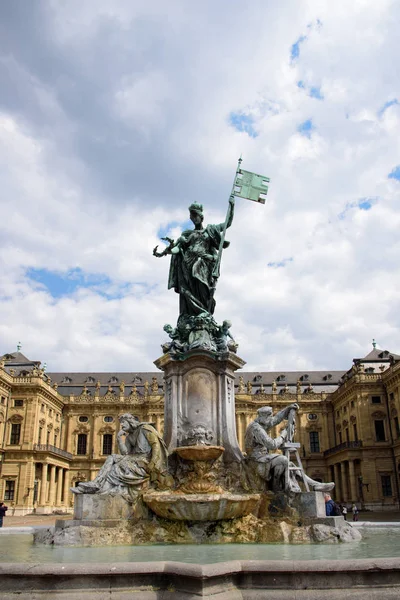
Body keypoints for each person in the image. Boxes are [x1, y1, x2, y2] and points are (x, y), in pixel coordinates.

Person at [71, 414, 173, 502]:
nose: (122, 425)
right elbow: (125, 453)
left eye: (124, 422)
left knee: (115, 469)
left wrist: (154, 462)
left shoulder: (144, 429)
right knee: (112, 457)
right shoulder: (129, 437)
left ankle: (98, 485)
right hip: (134, 460)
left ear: (130, 422)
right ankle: (96, 483)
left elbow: (156, 445)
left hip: (144, 461)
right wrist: (119, 439)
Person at [162, 200, 235, 317]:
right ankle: (193, 315)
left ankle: (204, 311)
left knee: (203, 287)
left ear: (202, 217)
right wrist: (168, 251)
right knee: (188, 290)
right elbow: (177, 249)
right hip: (187, 263)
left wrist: (232, 206)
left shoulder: (210, 230)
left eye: (196, 215)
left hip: (202, 263)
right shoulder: (187, 233)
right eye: (192, 216)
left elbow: (228, 223)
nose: (194, 218)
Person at [244, 404, 335, 494]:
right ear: (264, 417)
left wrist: (287, 409)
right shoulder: (256, 429)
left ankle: (314, 484)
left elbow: (275, 420)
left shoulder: (261, 422)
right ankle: (277, 489)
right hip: (256, 459)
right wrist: (283, 435)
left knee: (290, 465)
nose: (271, 420)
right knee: (283, 460)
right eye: (269, 417)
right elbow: (272, 445)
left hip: (262, 458)